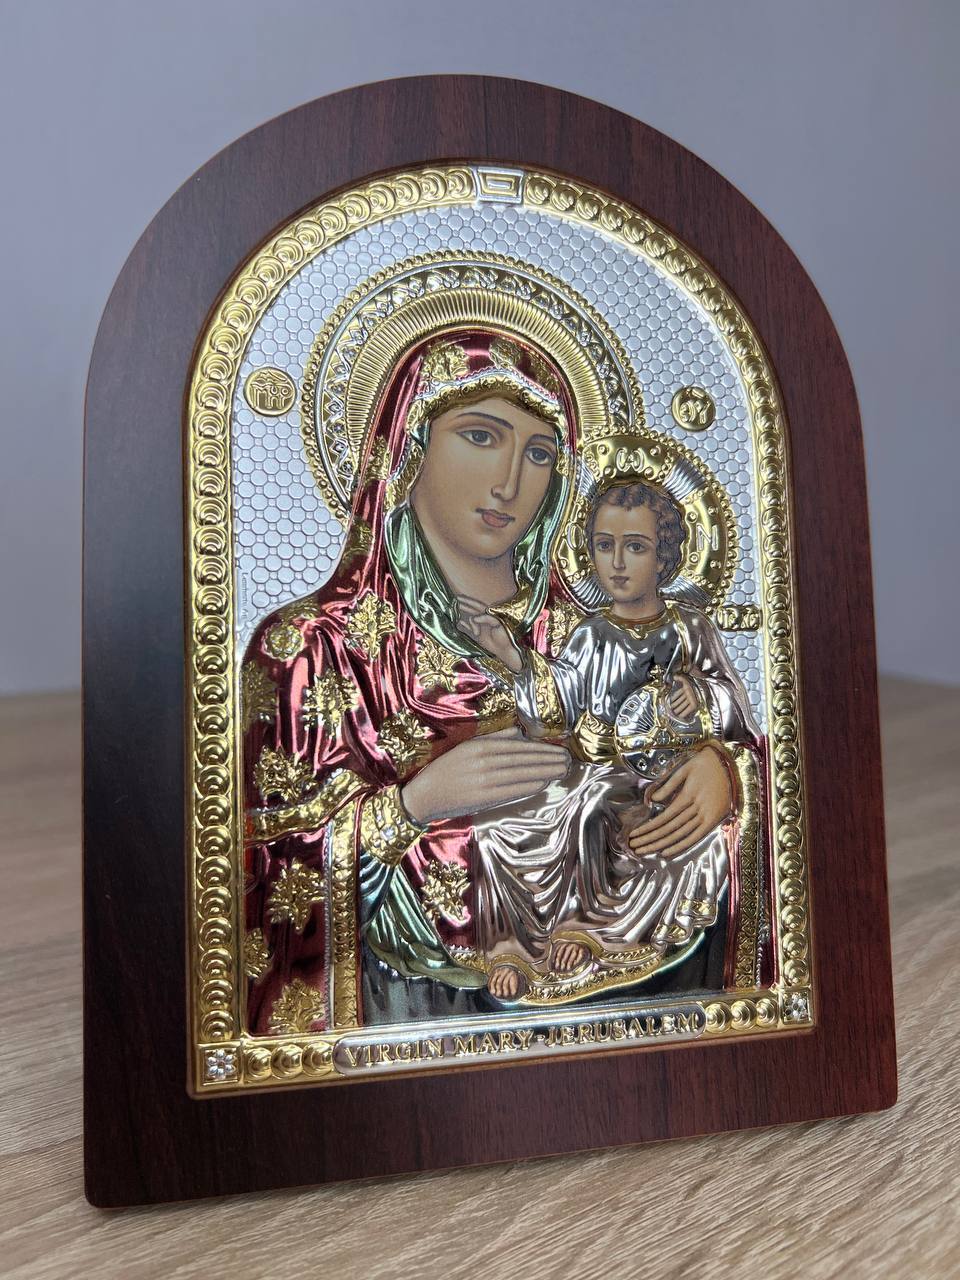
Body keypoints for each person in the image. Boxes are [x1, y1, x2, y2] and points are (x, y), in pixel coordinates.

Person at [241, 329, 742, 1032]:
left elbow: (718, 743)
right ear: (409, 447)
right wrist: (412, 805)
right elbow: (261, 871)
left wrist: (725, 775)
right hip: (419, 1018)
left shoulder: (594, 625)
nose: (510, 482)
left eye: (539, 453)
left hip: (643, 1005)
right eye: (480, 436)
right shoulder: (312, 649)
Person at [460, 479, 761, 1000]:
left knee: (593, 806)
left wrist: (698, 695)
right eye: (605, 545)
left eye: (635, 547)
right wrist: (510, 655)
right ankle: (509, 942)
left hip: (658, 778)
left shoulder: (689, 629)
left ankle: (588, 927)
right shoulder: (591, 634)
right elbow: (558, 704)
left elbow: (736, 707)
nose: (617, 563)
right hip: (592, 769)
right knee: (494, 829)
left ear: (664, 558)